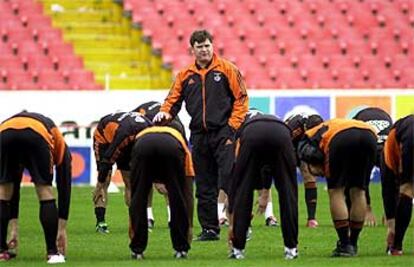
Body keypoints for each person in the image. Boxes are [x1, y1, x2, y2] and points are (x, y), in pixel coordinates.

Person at [153, 29, 248, 241]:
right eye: (199, 47)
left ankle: (241, 226)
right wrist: (164, 113)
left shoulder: (227, 69)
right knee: (204, 185)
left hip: (224, 133)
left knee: (230, 180)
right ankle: (209, 229)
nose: (204, 50)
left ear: (212, 46)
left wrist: (232, 128)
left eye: (207, 45)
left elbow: (242, 99)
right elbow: (172, 100)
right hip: (199, 136)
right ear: (192, 50)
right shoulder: (185, 75)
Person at [289, 116, 377, 257]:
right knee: (358, 190)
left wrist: (319, 165)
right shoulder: (330, 125)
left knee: (336, 191)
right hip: (370, 135)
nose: (320, 175)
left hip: (341, 138)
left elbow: (306, 153)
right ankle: (353, 243)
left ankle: (344, 244)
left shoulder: (309, 136)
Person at [0, 111, 71, 263]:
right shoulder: (59, 141)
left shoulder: (11, 123)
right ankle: (52, 253)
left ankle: (1, 251)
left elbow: (14, 187)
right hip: (36, 134)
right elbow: (64, 185)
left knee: (4, 191)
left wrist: (14, 229)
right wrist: (62, 228)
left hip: (3, 133)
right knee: (44, 190)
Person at [228, 110, 298, 260]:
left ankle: (237, 248)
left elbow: (237, 176)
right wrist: (265, 191)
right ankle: (291, 248)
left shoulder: (240, 126)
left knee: (243, 190)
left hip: (252, 133)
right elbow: (267, 167)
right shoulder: (271, 119)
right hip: (281, 132)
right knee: (288, 191)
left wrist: (231, 219)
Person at [128, 122, 194, 259]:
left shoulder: (143, 133)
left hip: (142, 146)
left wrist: (132, 224)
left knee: (139, 197)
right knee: (177, 197)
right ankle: (181, 249)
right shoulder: (179, 139)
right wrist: (190, 225)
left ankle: (137, 249)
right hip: (171, 148)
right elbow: (187, 193)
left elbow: (133, 191)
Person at [92, 111, 151, 233]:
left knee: (130, 181)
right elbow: (108, 158)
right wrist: (99, 183)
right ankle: (101, 222)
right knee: (105, 179)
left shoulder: (151, 131)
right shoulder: (124, 135)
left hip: (129, 140)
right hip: (105, 138)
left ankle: (135, 222)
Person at [348, 106, 393, 226]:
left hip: (376, 126)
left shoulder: (385, 149)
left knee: (359, 177)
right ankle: (370, 209)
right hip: (379, 119)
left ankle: (385, 211)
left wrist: (389, 212)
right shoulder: (368, 147)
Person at [380, 114, 414, 256]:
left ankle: (396, 246)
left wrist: (391, 225)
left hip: (409, 136)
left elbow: (388, 186)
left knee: (407, 189)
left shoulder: (392, 140)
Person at [285, 113, 324, 228]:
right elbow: (284, 144)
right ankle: (290, 216)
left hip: (304, 148)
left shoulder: (322, 128)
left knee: (309, 176)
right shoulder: (294, 127)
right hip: (289, 147)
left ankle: (311, 218)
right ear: (306, 127)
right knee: (289, 180)